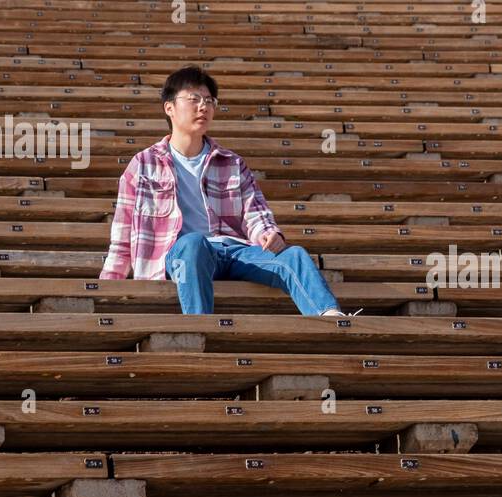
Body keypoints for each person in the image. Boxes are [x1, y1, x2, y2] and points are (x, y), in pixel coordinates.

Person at [100, 65, 354, 317]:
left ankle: (331, 319)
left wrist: (268, 233)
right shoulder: (143, 164)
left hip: (232, 252)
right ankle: (200, 327)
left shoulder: (231, 162)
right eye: (194, 99)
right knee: (193, 244)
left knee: (294, 255)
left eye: (209, 101)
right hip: (183, 256)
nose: (203, 107)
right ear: (169, 108)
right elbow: (123, 234)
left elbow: (255, 211)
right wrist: (109, 287)